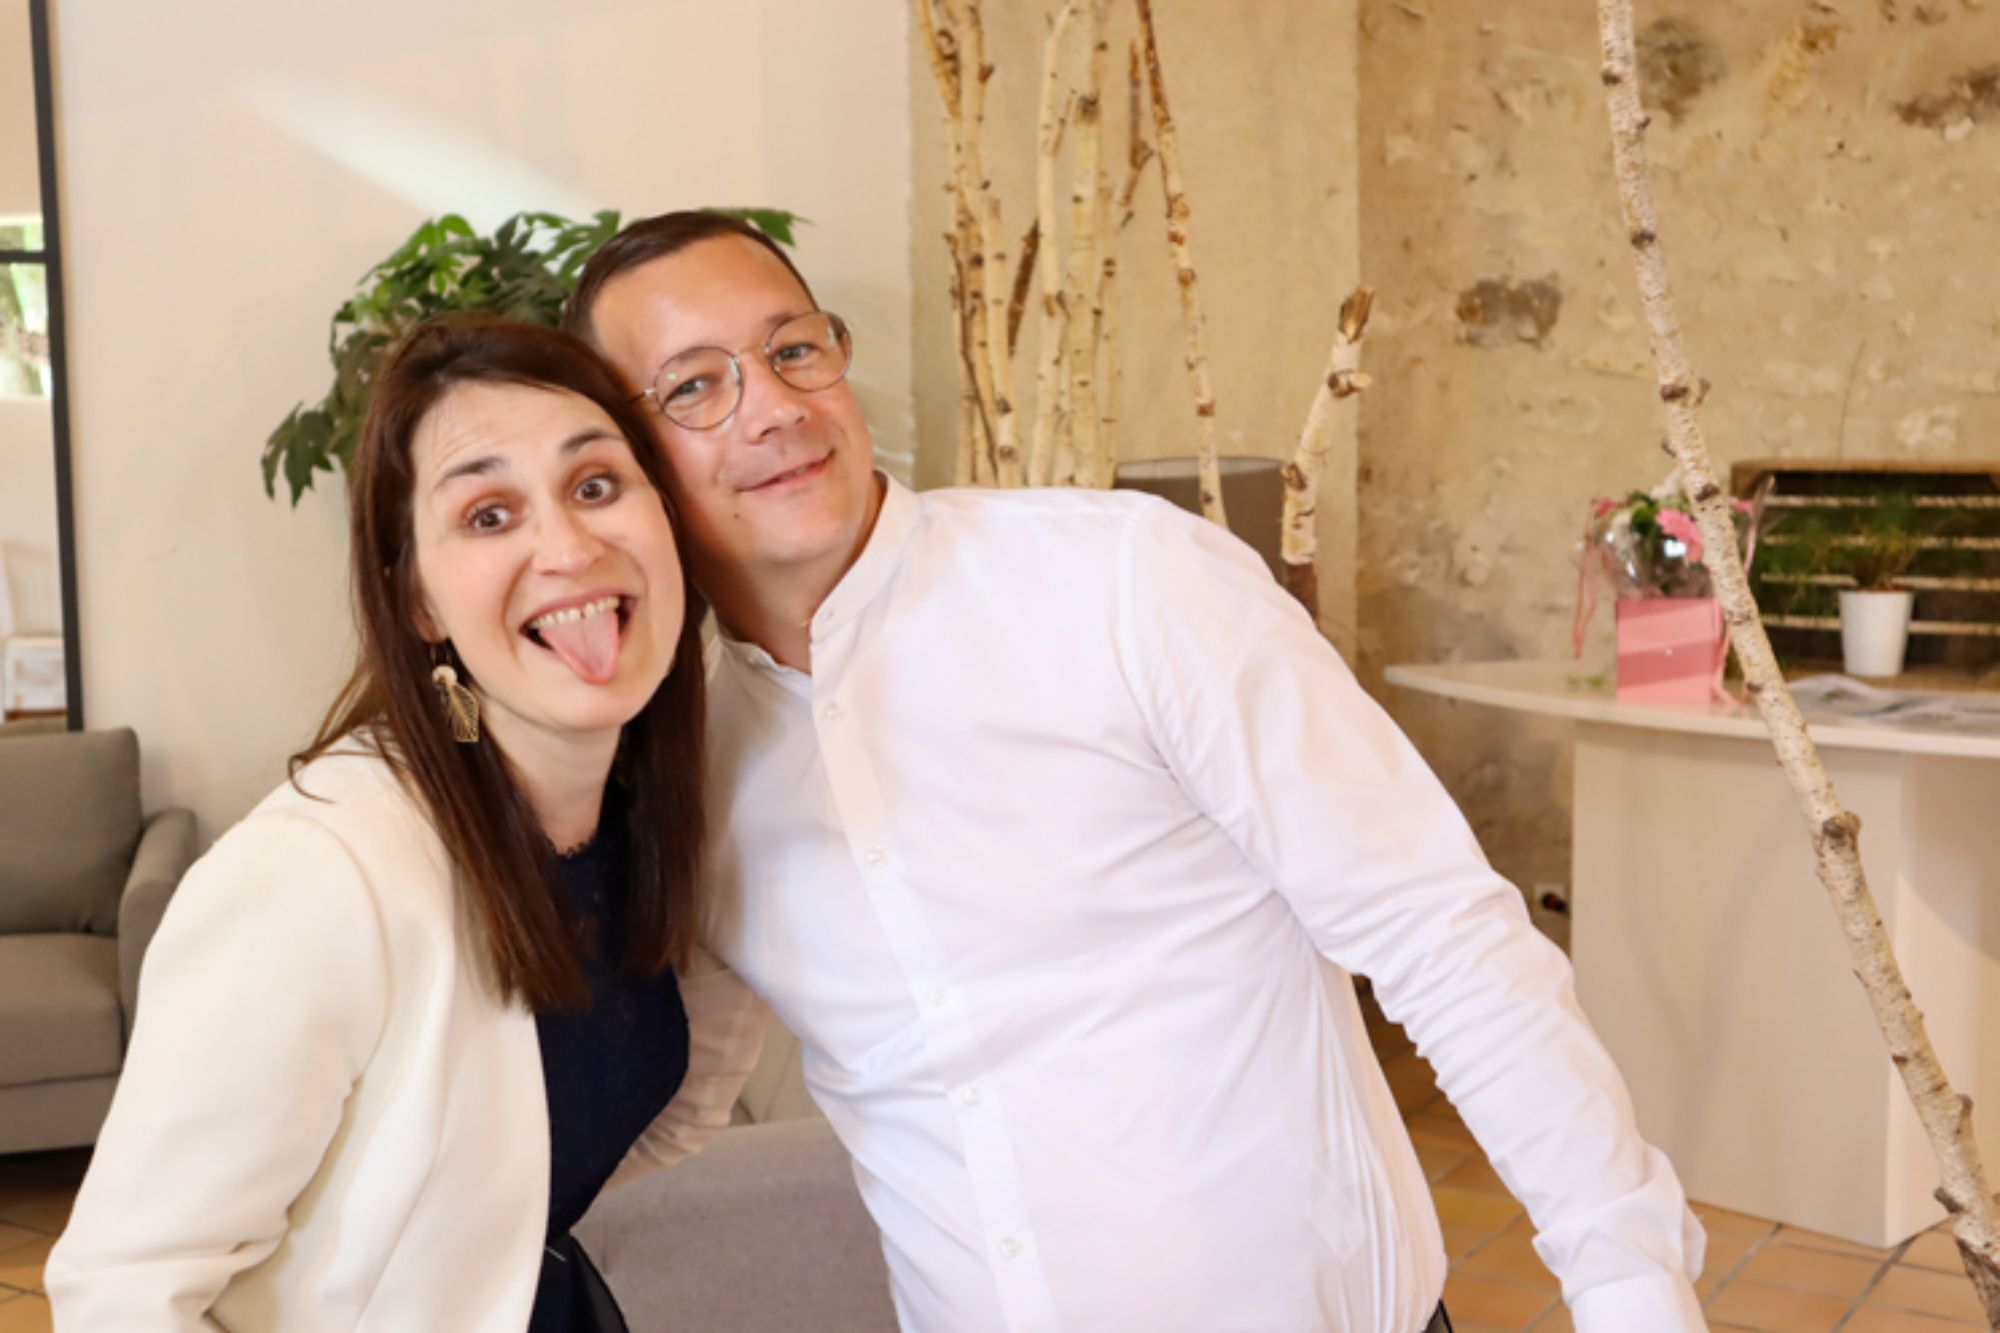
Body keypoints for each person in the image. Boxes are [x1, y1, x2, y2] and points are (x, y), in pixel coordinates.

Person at [562, 210, 1708, 1333]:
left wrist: (1627, 1282)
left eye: (792, 348)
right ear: (622, 461)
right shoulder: (687, 756)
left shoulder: (1124, 580)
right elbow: (675, 1093)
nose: (772, 407)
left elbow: (1442, 937)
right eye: (694, 386)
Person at [46, 315, 767, 1332]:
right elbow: (120, 1292)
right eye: (487, 514)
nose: (568, 547)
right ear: (419, 601)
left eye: (597, 484)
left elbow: (625, 1118)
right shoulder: (315, 876)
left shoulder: (650, 819)